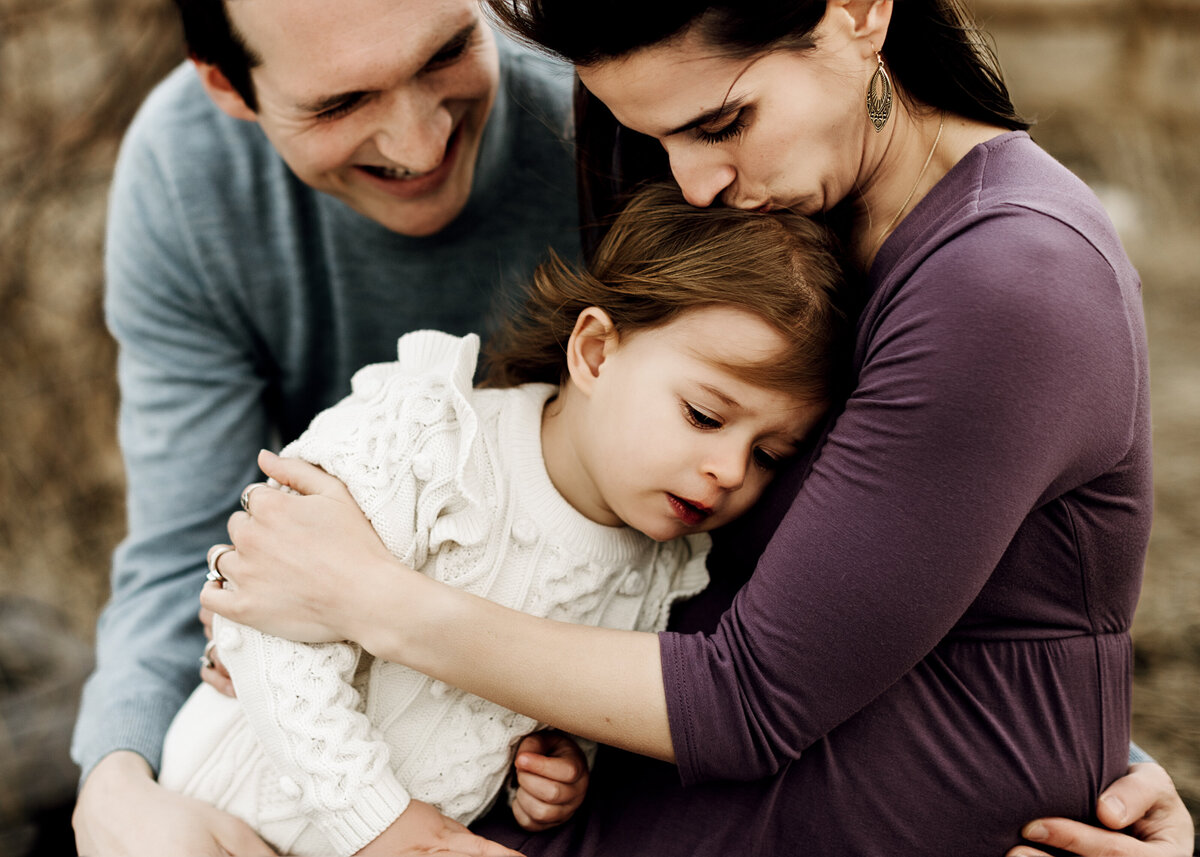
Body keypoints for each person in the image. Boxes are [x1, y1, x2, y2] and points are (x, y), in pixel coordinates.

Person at [200, 1, 1197, 856]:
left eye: (724, 122)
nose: (694, 182)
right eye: (664, 137)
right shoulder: (747, 206)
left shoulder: (1006, 277)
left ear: (858, 11)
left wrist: (365, 599)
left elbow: (761, 690)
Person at [161, 181, 848, 856]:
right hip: (218, 806)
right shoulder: (434, 436)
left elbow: (556, 696)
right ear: (596, 353)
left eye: (768, 454)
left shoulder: (664, 569)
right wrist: (382, 824)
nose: (729, 469)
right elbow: (267, 623)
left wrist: (556, 764)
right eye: (705, 414)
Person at [69, 0, 582, 853]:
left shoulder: (608, 117)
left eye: (448, 51)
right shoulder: (183, 177)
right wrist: (113, 782)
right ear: (227, 86)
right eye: (340, 105)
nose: (419, 143)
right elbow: (183, 552)